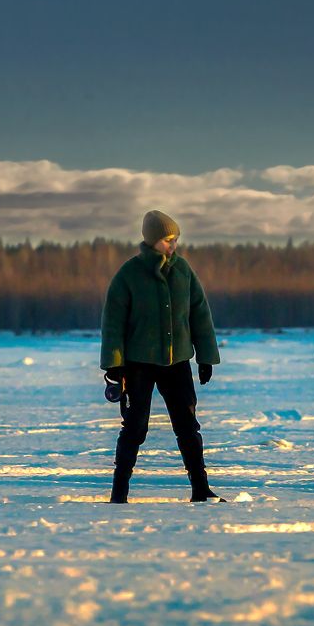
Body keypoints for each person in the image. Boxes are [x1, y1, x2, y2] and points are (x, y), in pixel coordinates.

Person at [100, 210, 222, 503]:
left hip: (177, 362)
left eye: (176, 239)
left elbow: (200, 314)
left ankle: (200, 490)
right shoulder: (129, 274)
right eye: (168, 239)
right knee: (135, 427)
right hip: (139, 364)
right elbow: (113, 322)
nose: (173, 245)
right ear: (152, 240)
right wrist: (114, 366)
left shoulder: (183, 271)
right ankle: (119, 494)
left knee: (187, 426)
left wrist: (205, 357)